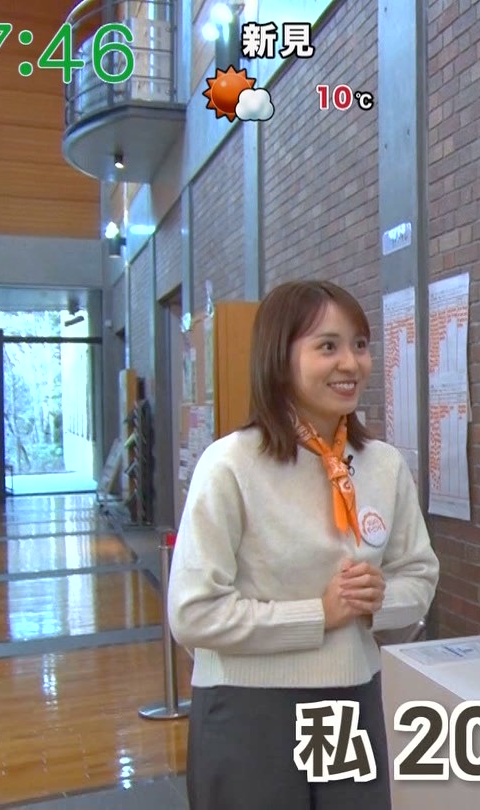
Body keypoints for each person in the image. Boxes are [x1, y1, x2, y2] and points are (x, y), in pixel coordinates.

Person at [168, 280, 439, 810]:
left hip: (347, 704)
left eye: (359, 345)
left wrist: (376, 600)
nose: (351, 363)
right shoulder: (229, 466)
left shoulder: (384, 465)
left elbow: (420, 576)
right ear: (279, 358)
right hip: (247, 709)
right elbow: (193, 614)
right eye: (328, 346)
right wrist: (319, 614)